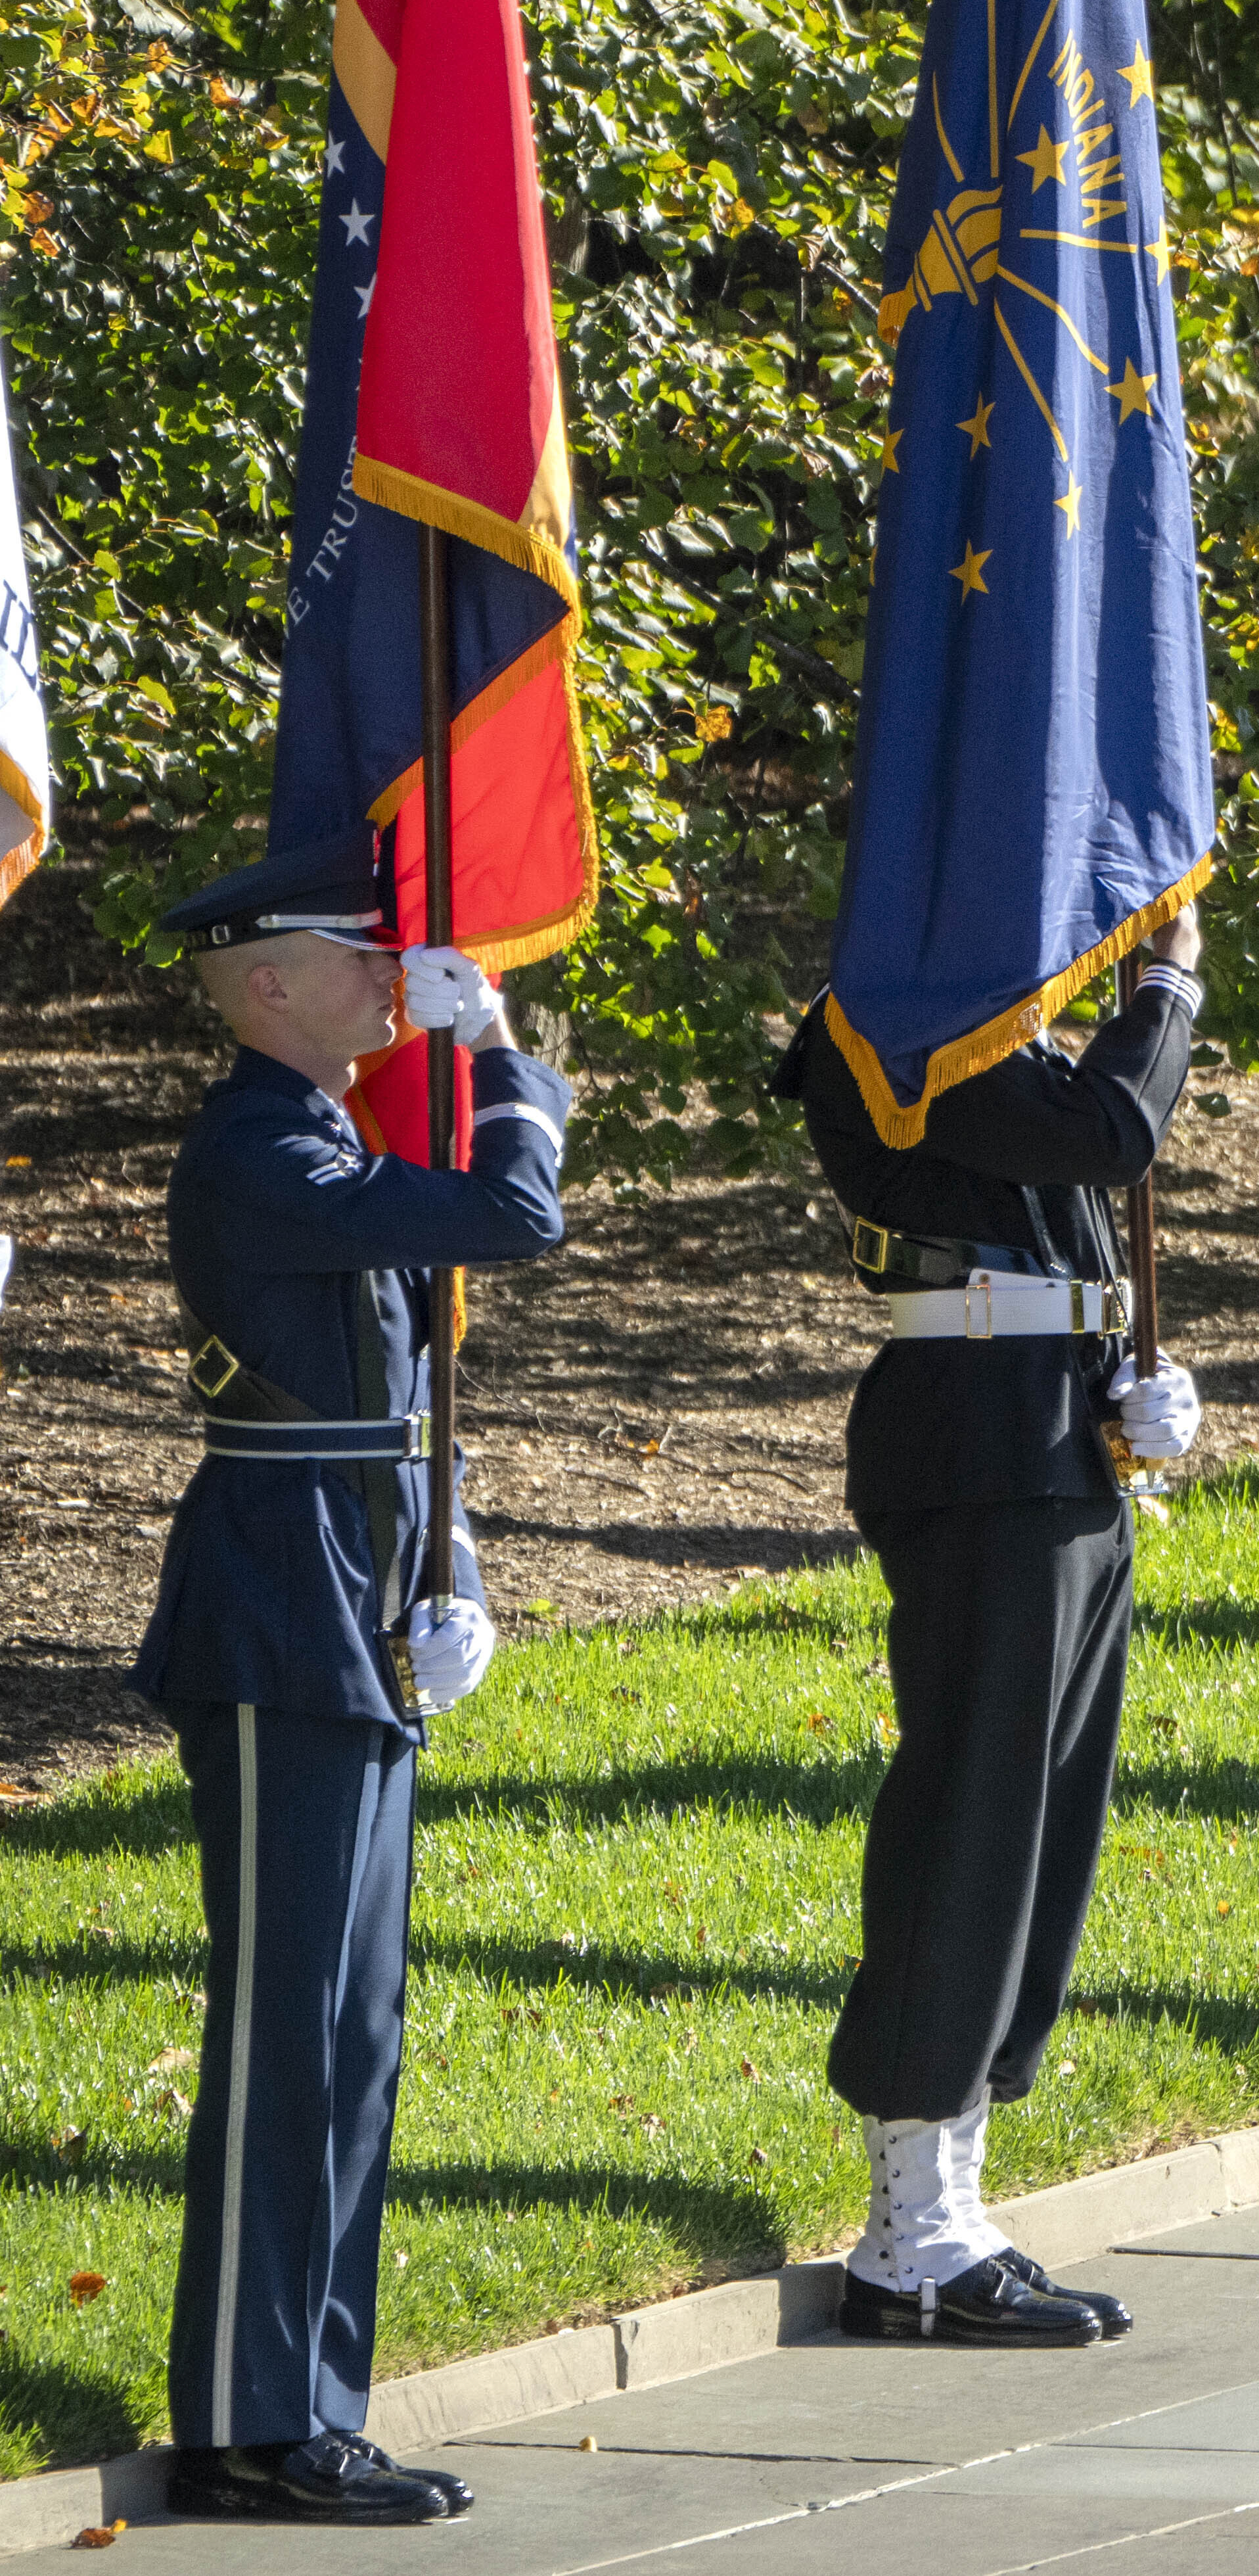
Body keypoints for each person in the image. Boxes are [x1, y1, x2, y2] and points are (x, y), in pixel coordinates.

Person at [143, 833, 565, 2524]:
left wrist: (441, 1548)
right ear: (264, 988)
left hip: (354, 1583)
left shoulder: (313, 1130)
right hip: (276, 1604)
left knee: (358, 2029)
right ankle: (245, 2421)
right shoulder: (258, 1142)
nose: (393, 972)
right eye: (356, 954)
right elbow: (512, 1211)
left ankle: (316, 2400)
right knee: (286, 2035)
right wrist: (499, 1055)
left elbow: (391, 1386)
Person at [774, 913, 1200, 2343]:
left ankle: (954, 2191)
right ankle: (904, 2225)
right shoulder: (894, 1023)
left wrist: (1124, 1365)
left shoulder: (982, 1030)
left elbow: (1061, 1198)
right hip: (976, 1449)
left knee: (1045, 1832)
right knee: (975, 1821)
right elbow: (1108, 1129)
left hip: (1048, 1437)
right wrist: (1169, 984)